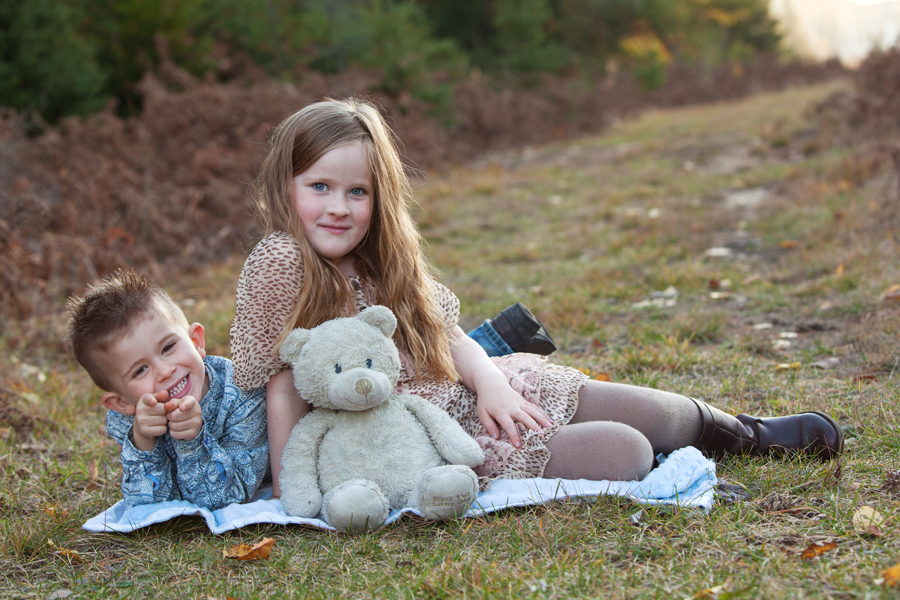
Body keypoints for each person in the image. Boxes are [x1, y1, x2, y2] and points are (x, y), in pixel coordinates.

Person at [230, 98, 844, 498]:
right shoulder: (283, 263)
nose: (339, 207)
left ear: (379, 198)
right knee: (625, 450)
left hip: (469, 389)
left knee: (648, 410)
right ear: (286, 186)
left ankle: (745, 434)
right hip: (410, 437)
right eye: (320, 187)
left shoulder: (382, 254)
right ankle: (664, 469)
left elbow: (443, 333)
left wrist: (492, 384)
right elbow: (280, 384)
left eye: (357, 192)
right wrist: (293, 492)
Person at [66, 270, 269, 510]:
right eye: (140, 370)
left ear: (196, 341)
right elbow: (148, 508)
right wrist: (143, 442)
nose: (164, 371)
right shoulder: (131, 421)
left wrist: (191, 441)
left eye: (168, 347)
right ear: (121, 403)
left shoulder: (244, 394)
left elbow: (225, 498)